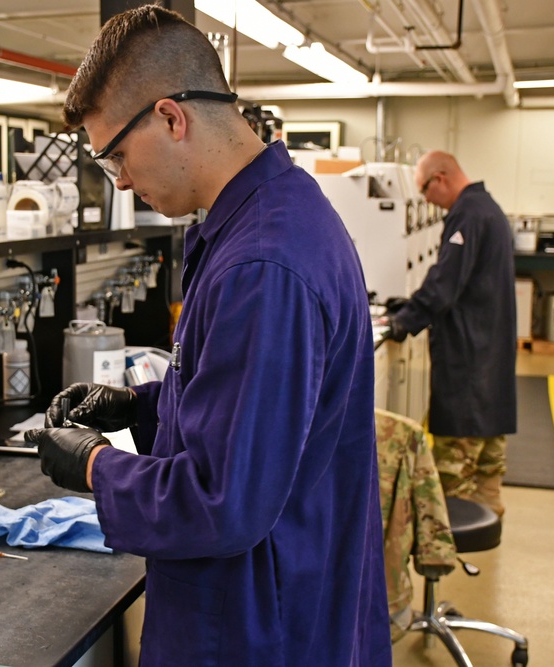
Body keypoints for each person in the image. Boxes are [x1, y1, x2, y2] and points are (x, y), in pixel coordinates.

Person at [25, 6, 392, 666]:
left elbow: (225, 502)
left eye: (116, 158)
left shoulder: (262, 263)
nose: (125, 181)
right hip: (277, 598)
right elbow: (255, 404)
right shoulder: (273, 213)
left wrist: (92, 465)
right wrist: (144, 408)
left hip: (254, 628)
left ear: (171, 117)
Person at [386, 150, 517, 516]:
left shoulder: (468, 214)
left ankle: (452, 540)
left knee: (452, 476)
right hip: (490, 352)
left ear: (440, 178)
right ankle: (487, 517)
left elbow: (445, 284)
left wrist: (404, 322)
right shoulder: (487, 209)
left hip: (469, 355)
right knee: (488, 469)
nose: (427, 200)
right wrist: (408, 304)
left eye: (425, 190)